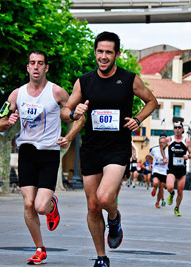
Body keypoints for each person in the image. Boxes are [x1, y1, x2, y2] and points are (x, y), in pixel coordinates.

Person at [61, 31, 157, 267]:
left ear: (117, 54)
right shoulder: (84, 81)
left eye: (108, 52)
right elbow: (65, 111)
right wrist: (74, 113)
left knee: (104, 198)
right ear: (95, 52)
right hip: (92, 149)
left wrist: (137, 119)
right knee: (93, 205)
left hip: (117, 149)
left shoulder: (128, 79)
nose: (103, 56)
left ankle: (114, 219)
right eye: (100, 51)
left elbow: (152, 101)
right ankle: (102, 257)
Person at [0, 50, 85, 265]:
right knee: (28, 205)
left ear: (46, 68)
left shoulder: (57, 92)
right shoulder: (16, 95)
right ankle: (40, 249)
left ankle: (51, 205)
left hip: (49, 153)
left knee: (40, 207)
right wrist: (7, 122)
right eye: (32, 63)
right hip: (26, 151)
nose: (36, 67)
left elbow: (77, 117)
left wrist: (69, 136)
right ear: (27, 68)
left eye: (40, 63)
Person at [162, 121, 191, 216]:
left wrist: (188, 156)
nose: (178, 129)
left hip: (182, 170)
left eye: (179, 127)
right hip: (171, 169)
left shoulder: (186, 141)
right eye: (176, 127)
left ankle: (177, 208)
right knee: (169, 187)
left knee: (180, 190)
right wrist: (164, 157)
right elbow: (162, 148)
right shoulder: (169, 139)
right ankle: (171, 194)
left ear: (183, 129)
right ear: (173, 129)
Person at [150, 135, 169, 208]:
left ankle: (157, 202)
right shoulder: (154, 149)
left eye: (163, 142)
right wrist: (150, 163)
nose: (162, 144)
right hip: (156, 169)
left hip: (164, 171)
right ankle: (154, 188)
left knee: (161, 189)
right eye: (160, 142)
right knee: (155, 182)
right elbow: (149, 156)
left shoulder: (168, 151)